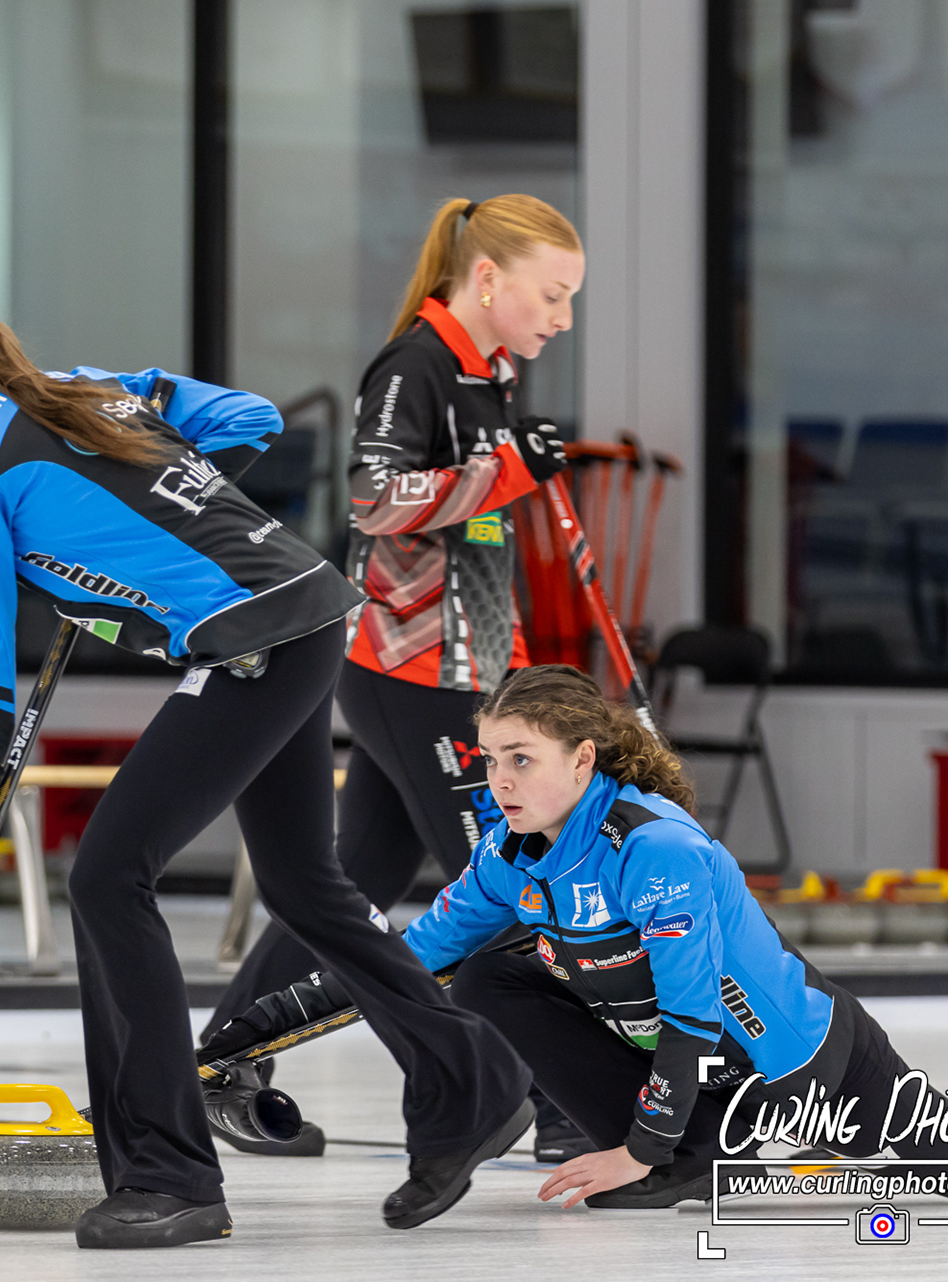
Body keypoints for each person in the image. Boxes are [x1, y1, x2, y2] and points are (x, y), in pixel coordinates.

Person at [0, 291, 534, 1248]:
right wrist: (146, 519)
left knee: (109, 877)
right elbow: (249, 420)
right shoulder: (69, 386)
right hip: (305, 610)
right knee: (304, 884)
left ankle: (170, 1174)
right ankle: (472, 1082)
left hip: (253, 643)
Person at [201, 194, 588, 1161]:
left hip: (461, 670)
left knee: (348, 888)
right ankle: (561, 1100)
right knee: (499, 876)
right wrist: (507, 469)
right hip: (408, 668)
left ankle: (219, 1064)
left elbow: (476, 534)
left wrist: (511, 663)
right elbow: (374, 499)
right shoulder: (416, 364)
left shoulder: (490, 375)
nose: (563, 318)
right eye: (551, 294)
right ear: (487, 279)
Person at [401, 664, 948, 1207]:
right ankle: (692, 1153)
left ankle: (678, 1153)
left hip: (803, 1066)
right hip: (704, 1080)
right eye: (491, 759)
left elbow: (691, 1012)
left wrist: (641, 1150)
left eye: (521, 758)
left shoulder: (656, 847)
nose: (500, 780)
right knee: (487, 977)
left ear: (582, 761)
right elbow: (417, 954)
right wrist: (337, 980)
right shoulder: (508, 851)